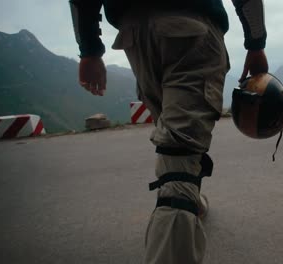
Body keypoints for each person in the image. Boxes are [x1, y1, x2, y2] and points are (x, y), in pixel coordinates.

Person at [69, 0, 268, 263]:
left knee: (174, 138)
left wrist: (90, 49)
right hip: (192, 26)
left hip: (136, 35)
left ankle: (189, 200)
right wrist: (256, 43)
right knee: (179, 149)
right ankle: (180, 204)